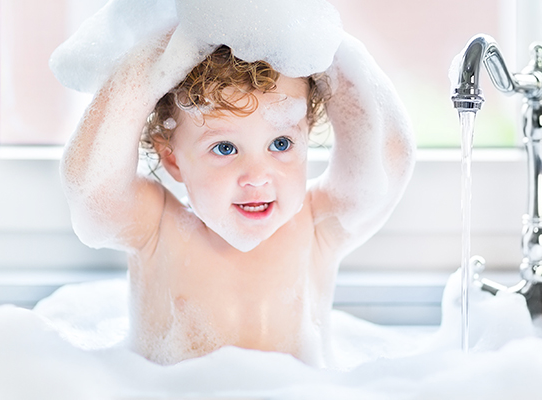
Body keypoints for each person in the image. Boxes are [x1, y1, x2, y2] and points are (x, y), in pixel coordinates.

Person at [60, 30, 414, 367]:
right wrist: (145, 64)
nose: (257, 176)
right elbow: (92, 189)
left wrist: (331, 50)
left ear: (306, 134)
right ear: (172, 158)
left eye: (281, 144)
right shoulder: (156, 228)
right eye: (225, 148)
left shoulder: (316, 225)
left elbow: (389, 161)